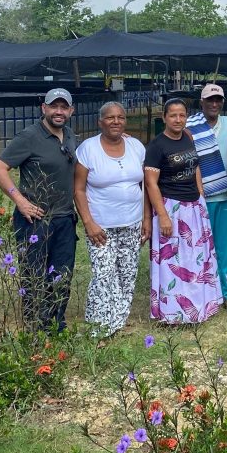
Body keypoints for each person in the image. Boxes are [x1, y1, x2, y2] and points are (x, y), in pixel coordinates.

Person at [0, 88, 79, 333]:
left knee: (62, 274)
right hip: (35, 220)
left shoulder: (71, 136)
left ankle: (56, 325)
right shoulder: (29, 136)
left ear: (71, 110)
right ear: (44, 108)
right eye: (54, 106)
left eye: (64, 107)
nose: (58, 112)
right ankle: (34, 327)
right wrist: (20, 201)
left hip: (64, 219)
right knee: (34, 274)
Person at [143, 98, 224, 324]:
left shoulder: (188, 137)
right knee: (174, 262)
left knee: (195, 260)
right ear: (164, 118)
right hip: (171, 207)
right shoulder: (157, 146)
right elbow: (150, 183)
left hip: (194, 206)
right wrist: (163, 216)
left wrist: (201, 195)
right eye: (173, 115)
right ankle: (173, 313)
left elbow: (195, 166)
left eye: (182, 115)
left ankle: (200, 305)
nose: (178, 120)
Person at [73, 101, 147, 337]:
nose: (116, 121)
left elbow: (144, 185)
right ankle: (98, 328)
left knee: (127, 274)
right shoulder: (88, 148)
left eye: (120, 117)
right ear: (100, 122)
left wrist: (146, 219)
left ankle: (117, 322)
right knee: (104, 275)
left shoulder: (136, 146)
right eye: (110, 117)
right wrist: (88, 223)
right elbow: (79, 189)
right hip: (101, 225)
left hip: (132, 223)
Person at [185, 83, 227, 301]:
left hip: (226, 196)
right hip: (198, 197)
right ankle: (203, 292)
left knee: (224, 246)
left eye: (218, 100)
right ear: (202, 102)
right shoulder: (190, 126)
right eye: (210, 100)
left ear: (222, 103)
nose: (214, 104)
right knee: (198, 247)